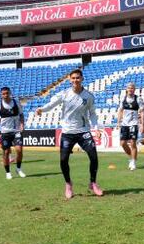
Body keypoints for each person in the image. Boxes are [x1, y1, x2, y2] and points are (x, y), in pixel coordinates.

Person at [35, 68, 103, 199]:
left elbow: (93, 114)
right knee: (63, 160)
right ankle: (68, 184)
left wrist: (96, 128)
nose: (76, 80)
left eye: (78, 77)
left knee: (94, 157)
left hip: (83, 131)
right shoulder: (64, 94)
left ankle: (93, 183)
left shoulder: (88, 96)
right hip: (67, 132)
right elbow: (51, 104)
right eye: (73, 78)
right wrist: (41, 109)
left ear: (82, 79)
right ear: (70, 80)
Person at [0, 86, 25, 179]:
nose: (6, 95)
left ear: (10, 93)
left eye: (7, 93)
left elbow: (21, 115)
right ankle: (8, 172)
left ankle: (18, 169)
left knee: (19, 150)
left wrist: (22, 125)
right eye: (3, 94)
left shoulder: (16, 103)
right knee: (6, 152)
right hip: (5, 133)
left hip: (16, 131)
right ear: (1, 95)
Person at [116, 82, 144, 171]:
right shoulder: (123, 98)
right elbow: (120, 110)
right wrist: (118, 122)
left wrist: (142, 124)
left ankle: (133, 162)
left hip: (133, 124)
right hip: (124, 124)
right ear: (126, 89)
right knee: (122, 143)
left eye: (132, 88)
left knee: (133, 143)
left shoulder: (138, 99)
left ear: (134, 89)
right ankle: (132, 157)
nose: (130, 89)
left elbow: (142, 112)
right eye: (129, 88)